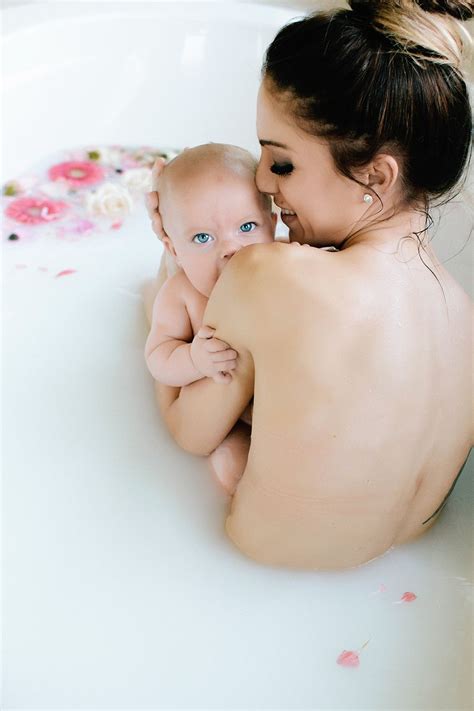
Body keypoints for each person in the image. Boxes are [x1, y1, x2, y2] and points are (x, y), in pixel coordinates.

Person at [144, 0, 473, 570]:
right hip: (409, 559)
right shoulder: (462, 311)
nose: (263, 182)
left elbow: (187, 431)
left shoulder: (268, 276)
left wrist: (170, 269)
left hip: (258, 563)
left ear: (375, 175)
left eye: (283, 163)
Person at [144, 143, 276, 494]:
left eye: (248, 227)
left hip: (269, 406)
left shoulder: (282, 272)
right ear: (174, 249)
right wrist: (194, 359)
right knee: (233, 457)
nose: (230, 249)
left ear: (272, 226)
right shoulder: (182, 294)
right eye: (202, 238)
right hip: (217, 409)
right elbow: (158, 356)